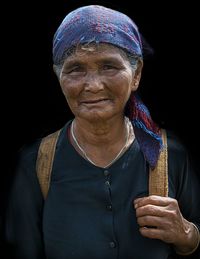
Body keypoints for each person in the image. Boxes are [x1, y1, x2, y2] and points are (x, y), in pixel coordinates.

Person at [4, 4, 200, 259]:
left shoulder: (170, 155)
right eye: (75, 69)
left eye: (109, 66)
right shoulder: (36, 164)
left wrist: (186, 234)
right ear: (58, 76)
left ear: (136, 73)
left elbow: (193, 238)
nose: (93, 86)